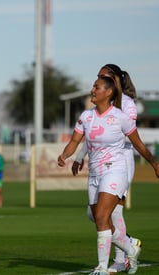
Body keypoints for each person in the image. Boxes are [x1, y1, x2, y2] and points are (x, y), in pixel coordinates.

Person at [57, 75, 159, 275]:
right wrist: (65, 155)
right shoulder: (86, 116)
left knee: (103, 217)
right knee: (99, 219)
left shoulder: (120, 117)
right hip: (94, 174)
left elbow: (138, 144)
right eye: (93, 86)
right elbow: (74, 142)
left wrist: (154, 163)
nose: (92, 90)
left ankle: (102, 268)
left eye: (96, 87)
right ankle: (131, 249)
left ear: (109, 92)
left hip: (115, 171)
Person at [71, 64, 141, 273]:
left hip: (120, 161)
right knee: (96, 215)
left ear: (114, 81)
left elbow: (124, 135)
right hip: (98, 163)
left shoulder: (127, 104)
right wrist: (80, 155)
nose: (98, 81)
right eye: (98, 77)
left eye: (103, 77)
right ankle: (129, 244)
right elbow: (95, 133)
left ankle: (119, 259)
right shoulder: (93, 111)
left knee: (113, 213)